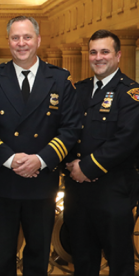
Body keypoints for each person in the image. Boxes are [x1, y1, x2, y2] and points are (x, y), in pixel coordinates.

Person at [0, 16, 81, 275]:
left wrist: (39, 160)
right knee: (1, 253)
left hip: (41, 182)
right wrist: (10, 159)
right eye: (15, 38)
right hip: (3, 180)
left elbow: (70, 129)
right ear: (8, 42)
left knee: (38, 254)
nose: (21, 43)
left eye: (27, 37)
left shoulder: (59, 80)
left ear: (38, 40)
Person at [64, 30, 139, 276]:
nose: (98, 57)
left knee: (119, 261)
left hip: (113, 191)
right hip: (78, 192)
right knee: (83, 260)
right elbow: (66, 129)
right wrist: (71, 164)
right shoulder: (80, 89)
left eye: (105, 52)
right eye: (93, 52)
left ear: (118, 55)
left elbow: (125, 140)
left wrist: (86, 168)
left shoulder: (131, 94)